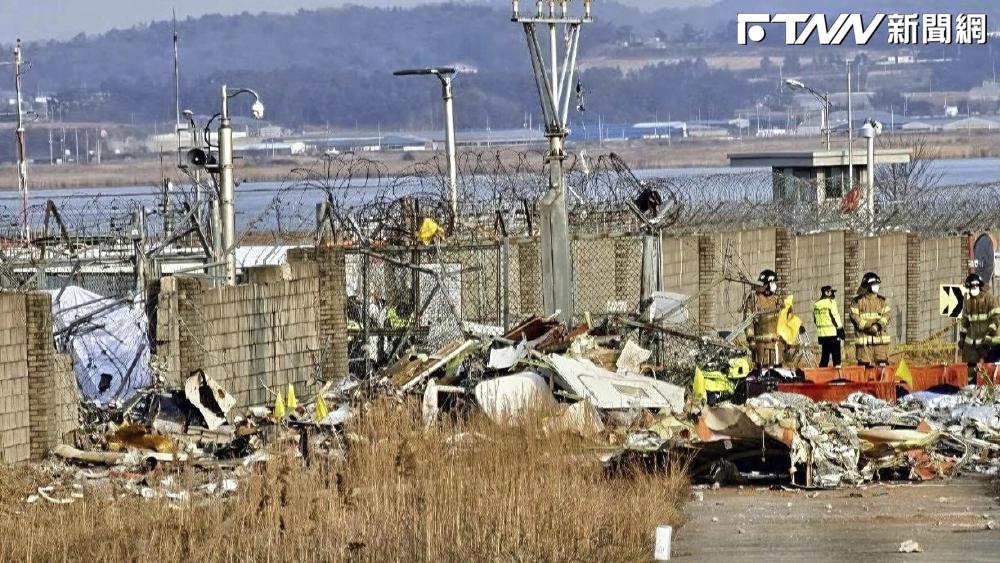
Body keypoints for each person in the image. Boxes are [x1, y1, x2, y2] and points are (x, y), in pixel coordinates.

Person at [959, 273, 999, 385]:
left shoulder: (989, 299)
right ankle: (971, 386)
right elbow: (965, 322)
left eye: (975, 286)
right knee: (971, 366)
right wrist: (963, 339)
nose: (973, 289)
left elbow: (995, 319)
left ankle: (988, 386)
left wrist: (989, 336)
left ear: (980, 286)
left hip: (987, 340)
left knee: (987, 365)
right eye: (971, 287)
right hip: (972, 342)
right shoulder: (967, 301)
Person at [743, 269, 785, 368]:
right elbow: (748, 322)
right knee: (763, 374)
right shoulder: (754, 300)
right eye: (773, 282)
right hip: (761, 347)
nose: (775, 285)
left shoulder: (777, 300)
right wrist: (751, 340)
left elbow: (784, 320)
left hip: (776, 346)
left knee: (778, 375)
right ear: (767, 284)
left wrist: (786, 339)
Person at [849, 272, 891, 367]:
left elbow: (887, 315)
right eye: (874, 285)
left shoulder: (882, 302)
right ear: (867, 286)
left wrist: (878, 326)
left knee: (882, 368)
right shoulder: (857, 302)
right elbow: (855, 318)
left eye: (877, 285)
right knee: (864, 369)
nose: (877, 287)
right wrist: (869, 327)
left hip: (880, 345)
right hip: (864, 346)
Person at [813, 285, 845, 368]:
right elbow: (836, 317)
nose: (833, 295)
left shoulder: (816, 304)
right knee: (836, 358)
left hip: (822, 335)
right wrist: (841, 330)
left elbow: (815, 320)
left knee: (825, 357)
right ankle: (838, 377)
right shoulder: (831, 303)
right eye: (831, 292)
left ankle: (821, 376)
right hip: (833, 334)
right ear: (826, 293)